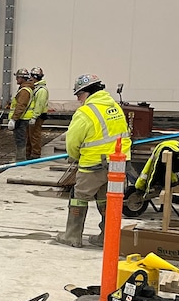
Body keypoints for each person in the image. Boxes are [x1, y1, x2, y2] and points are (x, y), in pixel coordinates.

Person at [55, 73, 131, 248]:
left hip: (93, 164)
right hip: (118, 165)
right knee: (106, 198)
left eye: (79, 95)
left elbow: (72, 141)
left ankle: (72, 236)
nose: (78, 99)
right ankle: (107, 236)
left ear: (87, 92)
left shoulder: (86, 112)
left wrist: (74, 156)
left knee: (78, 197)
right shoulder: (115, 107)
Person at [7, 68, 35, 162]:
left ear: (23, 78)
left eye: (18, 77)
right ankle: (20, 158)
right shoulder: (25, 89)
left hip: (21, 118)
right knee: (21, 139)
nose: (16, 79)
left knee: (20, 139)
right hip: (22, 118)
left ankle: (20, 159)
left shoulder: (25, 91)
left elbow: (21, 105)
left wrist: (14, 119)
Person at [25, 67, 49, 159]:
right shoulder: (36, 88)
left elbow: (39, 104)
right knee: (29, 136)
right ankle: (29, 153)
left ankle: (35, 154)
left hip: (37, 116)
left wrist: (34, 117)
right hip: (33, 116)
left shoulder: (41, 90)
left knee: (34, 136)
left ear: (35, 77)